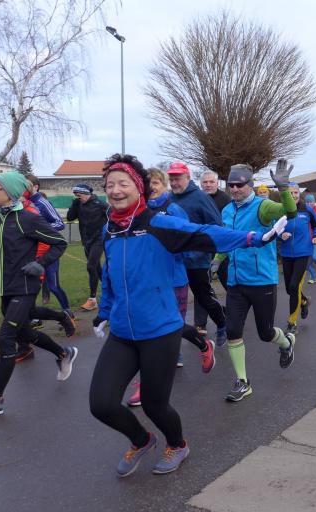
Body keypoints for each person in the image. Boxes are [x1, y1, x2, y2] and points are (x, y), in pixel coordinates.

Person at [88, 154, 285, 477]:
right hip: (122, 332)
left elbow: (205, 233)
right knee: (101, 404)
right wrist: (104, 312)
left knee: (154, 405)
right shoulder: (109, 228)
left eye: (123, 184)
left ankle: (177, 445)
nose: (115, 190)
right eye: (110, 185)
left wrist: (253, 238)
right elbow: (109, 274)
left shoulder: (158, 223)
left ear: (139, 187)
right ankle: (141, 440)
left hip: (160, 331)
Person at [0, 172, 77, 417]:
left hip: (26, 285)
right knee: (24, 333)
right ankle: (63, 353)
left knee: (6, 337)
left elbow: (59, 242)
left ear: (10, 192)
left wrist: (41, 263)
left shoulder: (28, 218)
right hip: (4, 287)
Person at [126, 168, 216, 408]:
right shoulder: (138, 210)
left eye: (156, 182)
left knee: (173, 325)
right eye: (147, 183)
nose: (151, 187)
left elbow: (187, 240)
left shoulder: (174, 209)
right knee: (149, 326)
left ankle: (201, 345)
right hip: (147, 280)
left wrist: (179, 255)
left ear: (164, 185)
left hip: (173, 279)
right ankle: (148, 382)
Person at [212, 161, 297, 402]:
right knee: (232, 330)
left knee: (265, 332)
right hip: (236, 282)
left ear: (250, 184)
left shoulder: (263, 206)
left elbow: (290, 212)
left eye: (239, 185)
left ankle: (286, 342)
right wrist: (217, 260)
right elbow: (227, 240)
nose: (235, 189)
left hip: (262, 281)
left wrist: (283, 189)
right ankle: (242, 382)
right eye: (231, 185)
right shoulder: (227, 211)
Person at [168, 162, 227, 346]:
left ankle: (223, 323)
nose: (174, 183)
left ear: (188, 178)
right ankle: (172, 344)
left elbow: (216, 225)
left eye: (177, 179)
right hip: (174, 260)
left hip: (197, 260)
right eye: (171, 179)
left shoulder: (200, 197)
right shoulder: (168, 198)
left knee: (204, 297)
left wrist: (200, 249)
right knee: (171, 301)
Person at [24, 175, 72, 317]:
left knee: (53, 286)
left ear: (35, 187)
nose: (24, 188)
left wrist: (41, 230)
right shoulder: (22, 203)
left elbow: (60, 223)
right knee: (30, 287)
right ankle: (34, 318)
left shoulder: (42, 202)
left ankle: (68, 314)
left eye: (27, 185)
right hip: (31, 252)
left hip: (49, 252)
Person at [278, 184, 316, 334]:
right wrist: (280, 235)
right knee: (289, 289)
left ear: (299, 193)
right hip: (286, 253)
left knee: (294, 287)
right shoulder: (281, 209)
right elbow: (274, 229)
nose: (294, 195)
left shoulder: (307, 209)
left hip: (304, 253)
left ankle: (292, 322)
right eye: (290, 193)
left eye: (296, 192)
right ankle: (303, 301)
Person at [194, 169, 231, 332]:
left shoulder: (226, 200)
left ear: (217, 183)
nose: (208, 185)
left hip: (222, 248)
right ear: (200, 184)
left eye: (211, 182)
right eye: (205, 182)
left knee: (229, 283)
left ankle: (234, 312)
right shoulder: (196, 198)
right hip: (202, 248)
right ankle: (200, 323)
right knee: (201, 286)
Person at [66, 183, 108, 311]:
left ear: (86, 193)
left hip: (99, 240)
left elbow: (112, 217)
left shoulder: (100, 204)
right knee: (97, 268)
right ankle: (111, 291)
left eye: (78, 194)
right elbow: (70, 218)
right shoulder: (78, 204)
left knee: (91, 266)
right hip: (86, 241)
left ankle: (92, 299)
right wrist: (74, 204)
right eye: (75, 195)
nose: (77, 197)